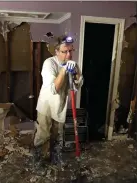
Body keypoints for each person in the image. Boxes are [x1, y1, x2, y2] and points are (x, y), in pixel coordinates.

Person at [32, 36, 84, 173]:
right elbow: (54, 89)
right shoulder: (49, 63)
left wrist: (76, 73)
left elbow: (79, 83)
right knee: (43, 135)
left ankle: (56, 158)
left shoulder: (72, 63)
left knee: (57, 135)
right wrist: (63, 70)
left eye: (70, 51)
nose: (69, 54)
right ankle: (38, 161)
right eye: (64, 51)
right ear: (56, 51)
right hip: (46, 106)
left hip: (60, 106)